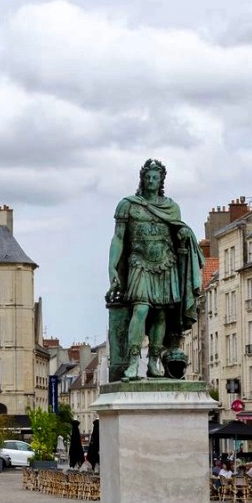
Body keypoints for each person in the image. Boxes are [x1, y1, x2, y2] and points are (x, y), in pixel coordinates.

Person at [106, 158, 205, 380]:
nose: (151, 181)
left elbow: (177, 231)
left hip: (165, 263)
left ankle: (153, 360)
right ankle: (133, 362)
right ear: (142, 179)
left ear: (161, 181)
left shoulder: (171, 207)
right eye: (148, 177)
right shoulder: (128, 205)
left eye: (155, 177)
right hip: (139, 262)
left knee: (161, 314)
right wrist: (112, 267)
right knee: (140, 310)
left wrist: (184, 233)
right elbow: (119, 238)